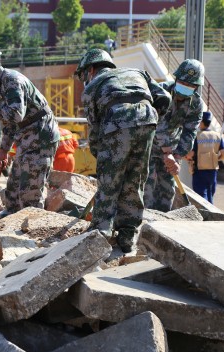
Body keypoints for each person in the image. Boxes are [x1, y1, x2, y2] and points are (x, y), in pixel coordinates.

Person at [75, 48, 171, 253]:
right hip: (147, 119)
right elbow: (164, 98)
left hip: (116, 122)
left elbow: (94, 128)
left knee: (109, 182)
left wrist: (101, 156)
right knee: (135, 179)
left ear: (90, 70)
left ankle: (101, 232)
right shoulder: (137, 73)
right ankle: (127, 234)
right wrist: (149, 120)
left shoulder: (92, 87)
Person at [0, 39, 59, 215]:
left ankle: (33, 226)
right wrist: (3, 150)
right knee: (13, 192)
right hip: (27, 137)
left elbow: (16, 114)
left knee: (29, 194)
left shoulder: (11, 80)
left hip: (40, 137)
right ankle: (10, 217)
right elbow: (10, 122)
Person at [144, 59, 205, 212]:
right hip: (149, 147)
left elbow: (190, 132)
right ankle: (144, 219)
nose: (186, 86)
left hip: (172, 151)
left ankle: (163, 219)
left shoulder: (196, 104)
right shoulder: (160, 92)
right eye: (183, 82)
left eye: (190, 85)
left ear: (196, 86)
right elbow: (158, 123)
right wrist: (167, 152)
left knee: (167, 190)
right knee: (147, 189)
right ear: (176, 78)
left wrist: (177, 156)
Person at [185, 111, 224, 204]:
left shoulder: (197, 136)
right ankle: (211, 212)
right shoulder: (217, 136)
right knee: (210, 195)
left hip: (199, 171)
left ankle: (203, 213)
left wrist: (185, 157)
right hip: (213, 171)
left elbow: (190, 154)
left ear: (201, 122)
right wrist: (215, 159)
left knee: (200, 197)